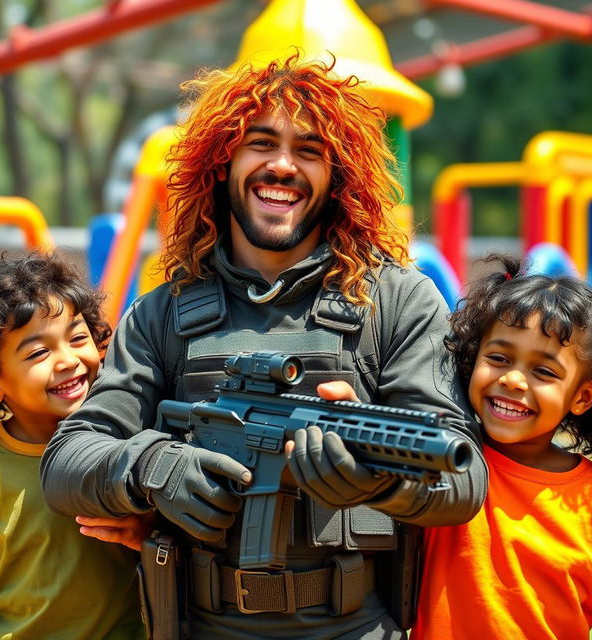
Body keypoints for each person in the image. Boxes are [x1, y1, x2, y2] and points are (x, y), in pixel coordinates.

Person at [41, 54, 487, 640]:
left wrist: (379, 481)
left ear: (339, 176)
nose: (283, 165)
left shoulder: (398, 301)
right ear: (222, 161)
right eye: (261, 142)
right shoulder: (162, 313)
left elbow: (462, 475)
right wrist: (153, 466)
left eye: (310, 149)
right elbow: (67, 462)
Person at [411, 255, 592, 640]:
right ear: (471, 359)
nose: (514, 380)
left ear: (583, 396)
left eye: (544, 371)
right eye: (498, 359)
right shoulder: (443, 460)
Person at [0, 253, 147, 640]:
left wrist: (147, 532)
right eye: (38, 352)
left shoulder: (128, 444)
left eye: (77, 337)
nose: (68, 360)